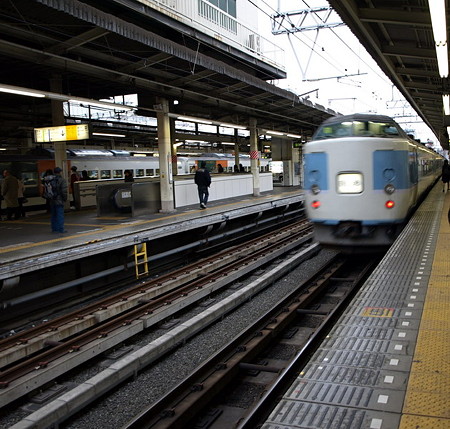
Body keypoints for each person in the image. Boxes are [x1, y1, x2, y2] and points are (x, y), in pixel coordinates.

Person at [47, 167, 68, 233]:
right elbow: (64, 191)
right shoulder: (62, 180)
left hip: (52, 199)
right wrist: (65, 198)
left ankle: (54, 229)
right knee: (60, 215)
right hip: (59, 200)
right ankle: (61, 229)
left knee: (53, 215)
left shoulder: (50, 180)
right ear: (60, 172)